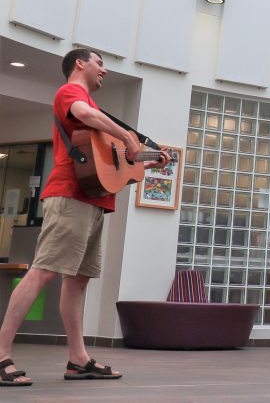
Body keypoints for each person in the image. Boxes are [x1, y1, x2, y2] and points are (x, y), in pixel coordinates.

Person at [0, 49, 170, 387]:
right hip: (69, 196)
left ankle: (78, 360)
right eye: (100, 63)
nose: (104, 70)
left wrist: (150, 162)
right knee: (43, 272)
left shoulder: (95, 114)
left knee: (78, 281)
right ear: (80, 64)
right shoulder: (73, 93)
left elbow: (116, 169)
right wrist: (126, 136)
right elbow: (84, 115)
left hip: (94, 201)